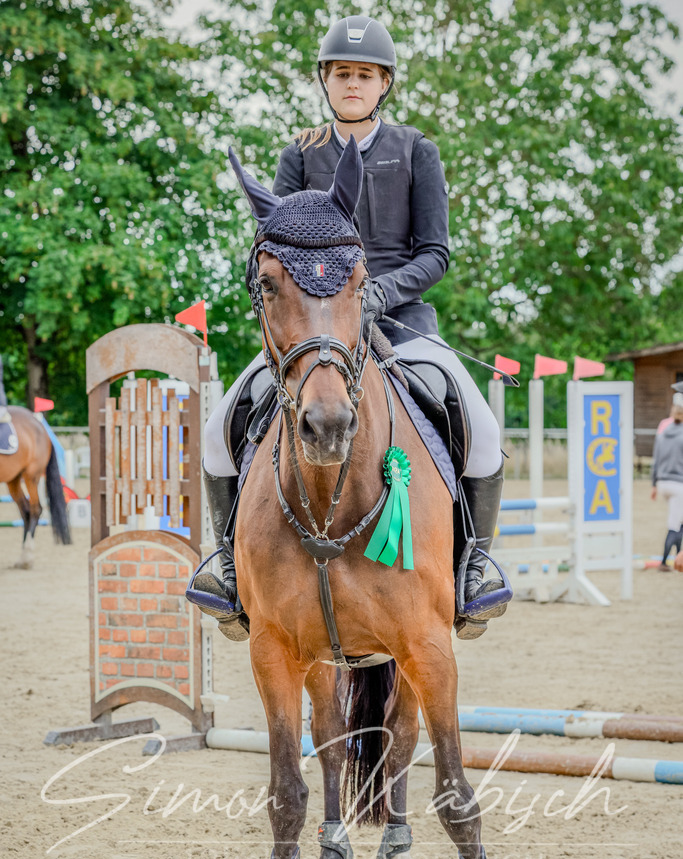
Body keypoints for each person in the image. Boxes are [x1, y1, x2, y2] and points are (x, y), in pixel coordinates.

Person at [195, 15, 508, 641]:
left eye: (365, 75)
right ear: (326, 80)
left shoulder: (416, 150)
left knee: (480, 425)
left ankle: (474, 566)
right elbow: (275, 237)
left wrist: (381, 292)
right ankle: (228, 566)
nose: (353, 84)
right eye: (343, 74)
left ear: (384, 83)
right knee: (217, 429)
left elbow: (435, 252)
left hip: (402, 320)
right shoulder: (300, 153)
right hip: (314, 327)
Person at [650, 383, 683, 572]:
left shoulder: (663, 433)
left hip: (663, 483)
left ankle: (677, 556)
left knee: (679, 520)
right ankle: (664, 562)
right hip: (678, 484)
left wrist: (654, 484)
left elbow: (655, 460)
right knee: (675, 525)